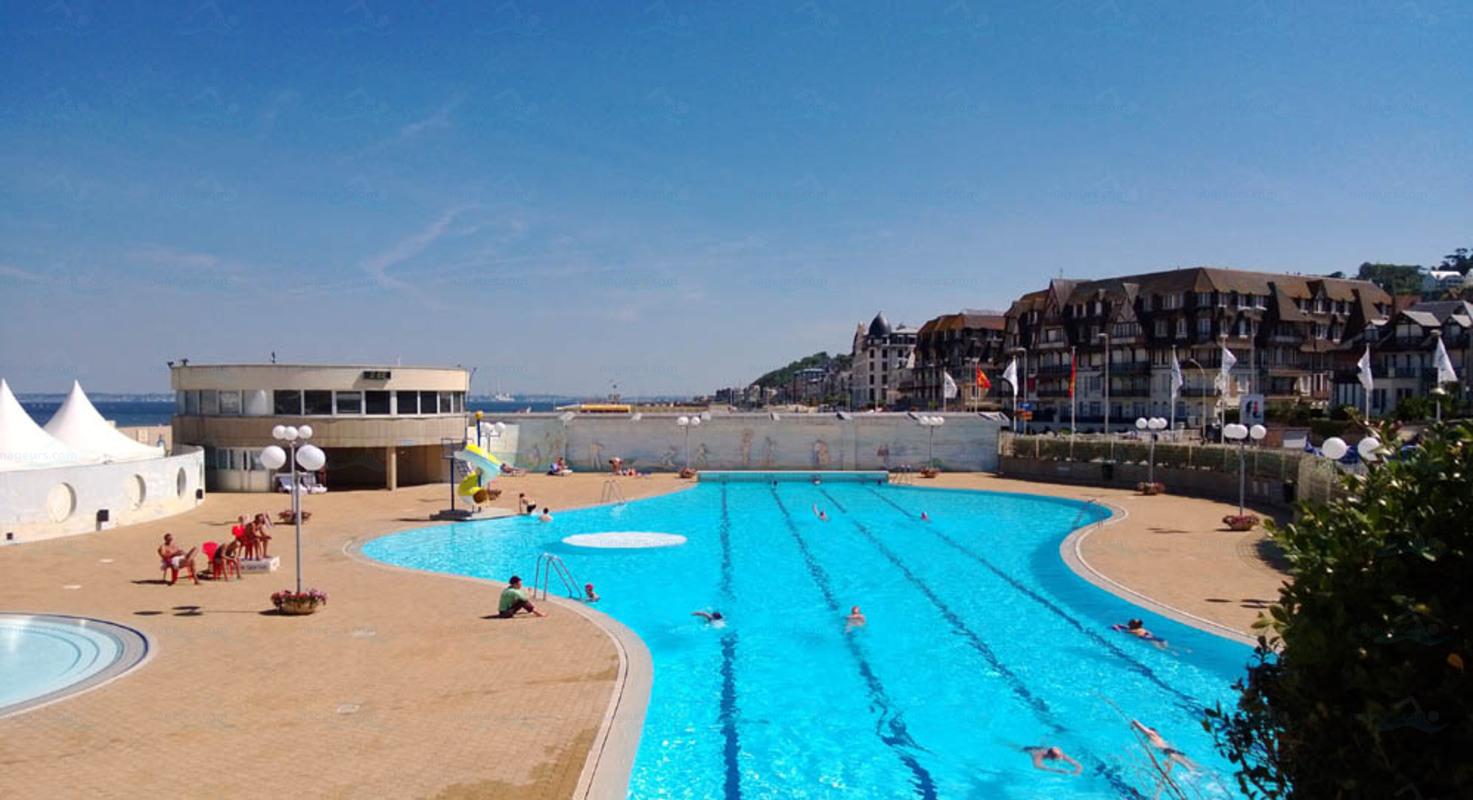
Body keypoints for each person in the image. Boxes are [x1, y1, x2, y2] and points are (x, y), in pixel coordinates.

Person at [1131, 720, 1197, 772]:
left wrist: (1133, 723)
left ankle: (1193, 771)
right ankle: (1198, 770)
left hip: (1166, 750)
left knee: (1184, 765)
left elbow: (1138, 724)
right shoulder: (1159, 737)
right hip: (1169, 749)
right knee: (1188, 761)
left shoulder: (1152, 733)